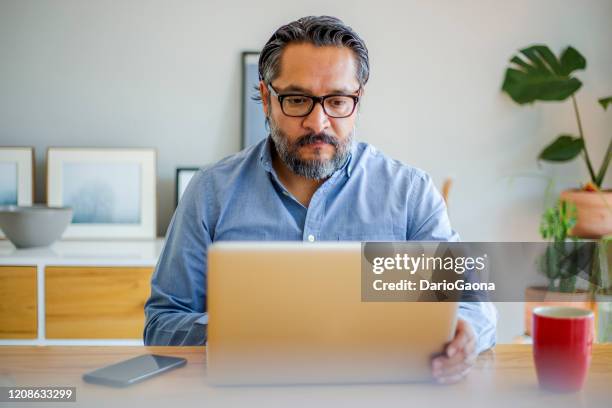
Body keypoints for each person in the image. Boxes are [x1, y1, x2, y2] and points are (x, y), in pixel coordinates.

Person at [144, 15, 496, 384]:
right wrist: (240, 335)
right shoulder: (210, 192)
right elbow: (162, 322)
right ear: (266, 99)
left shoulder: (409, 194)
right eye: (297, 100)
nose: (318, 122)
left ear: (357, 100)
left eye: (337, 100)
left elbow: (476, 309)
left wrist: (465, 336)